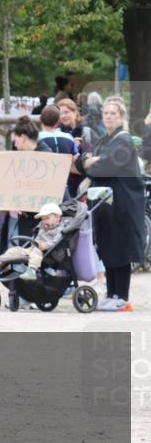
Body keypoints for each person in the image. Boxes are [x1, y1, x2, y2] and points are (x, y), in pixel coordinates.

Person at [78, 98, 145, 311]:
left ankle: (121, 297)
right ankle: (111, 294)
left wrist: (93, 162)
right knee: (107, 248)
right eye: (106, 113)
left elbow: (103, 168)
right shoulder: (104, 139)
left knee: (120, 249)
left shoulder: (123, 140)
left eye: (113, 113)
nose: (108, 116)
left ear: (121, 117)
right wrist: (90, 161)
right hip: (105, 204)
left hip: (122, 203)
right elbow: (85, 159)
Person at [0, 203, 63, 281]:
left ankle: (31, 271)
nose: (44, 221)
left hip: (47, 252)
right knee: (14, 250)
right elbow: (36, 236)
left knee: (36, 252)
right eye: (42, 219)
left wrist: (46, 245)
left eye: (47, 218)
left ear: (57, 217)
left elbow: (57, 242)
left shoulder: (60, 229)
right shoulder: (42, 225)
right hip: (33, 248)